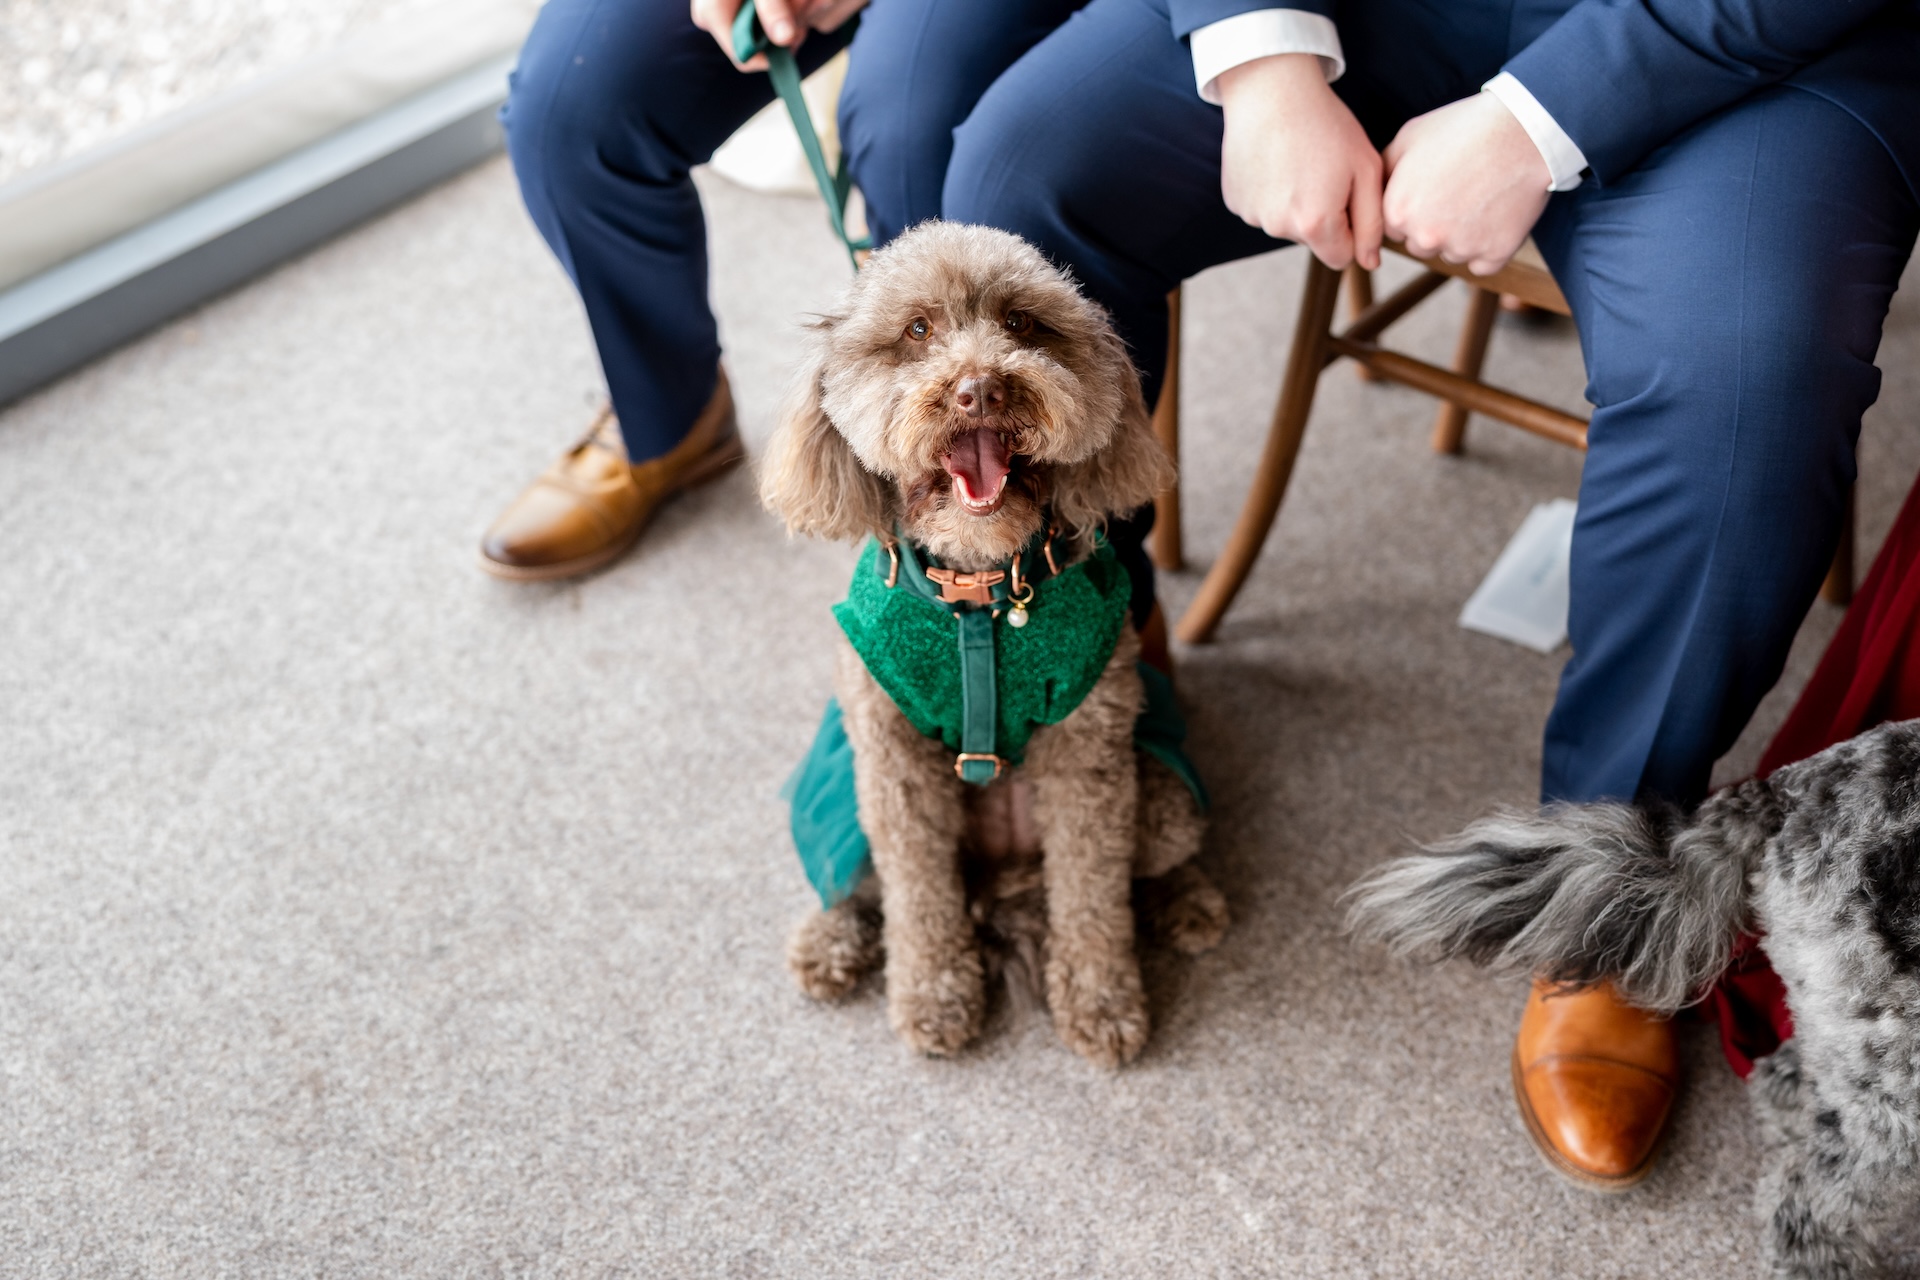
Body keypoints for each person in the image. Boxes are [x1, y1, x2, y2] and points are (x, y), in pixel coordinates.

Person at [495, 0, 1919, 1189]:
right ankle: (1077, 638)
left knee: (1746, 394)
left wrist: (1537, 119)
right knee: (1013, 172)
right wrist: (1262, 53)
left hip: (1765, 49)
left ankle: (1603, 901)